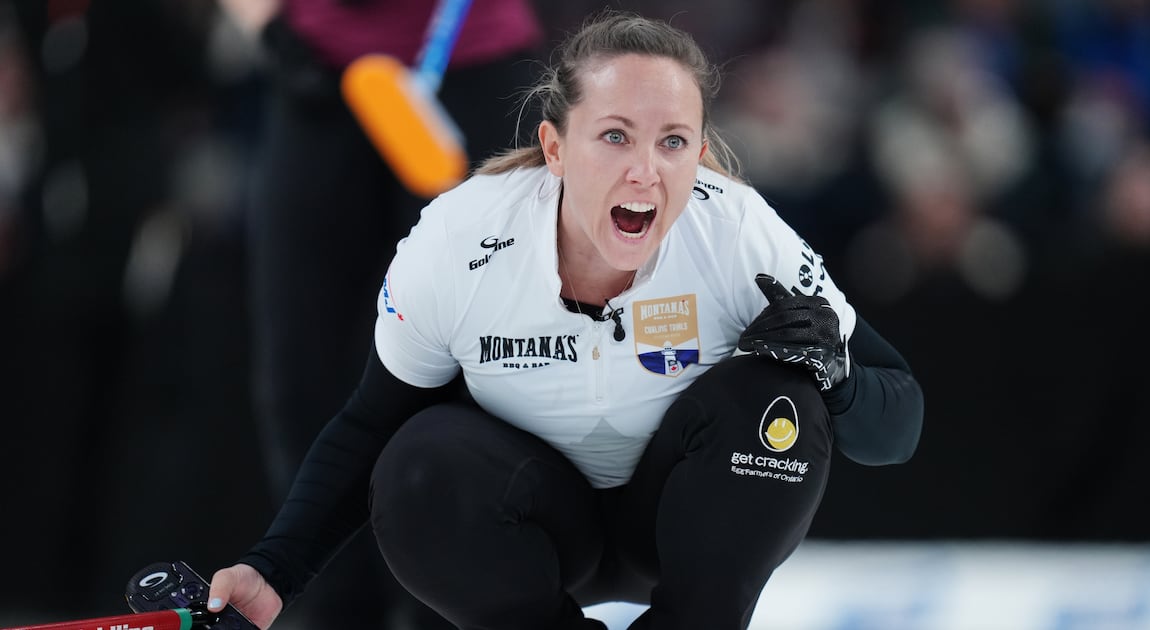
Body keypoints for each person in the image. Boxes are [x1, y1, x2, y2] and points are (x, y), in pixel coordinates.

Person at [207, 11, 924, 630]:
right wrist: (274, 571)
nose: (645, 170)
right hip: (538, 525)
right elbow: (367, 425)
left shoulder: (737, 233)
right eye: (615, 136)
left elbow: (898, 422)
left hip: (676, 529)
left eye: (673, 142)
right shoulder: (461, 240)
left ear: (701, 156)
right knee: (417, 458)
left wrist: (841, 379)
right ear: (554, 148)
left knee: (784, 399)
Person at [214, 0, 542, 627]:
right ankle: (334, 605)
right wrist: (268, 25)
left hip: (472, 68)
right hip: (320, 73)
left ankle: (451, 602)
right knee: (299, 369)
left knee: (478, 362)